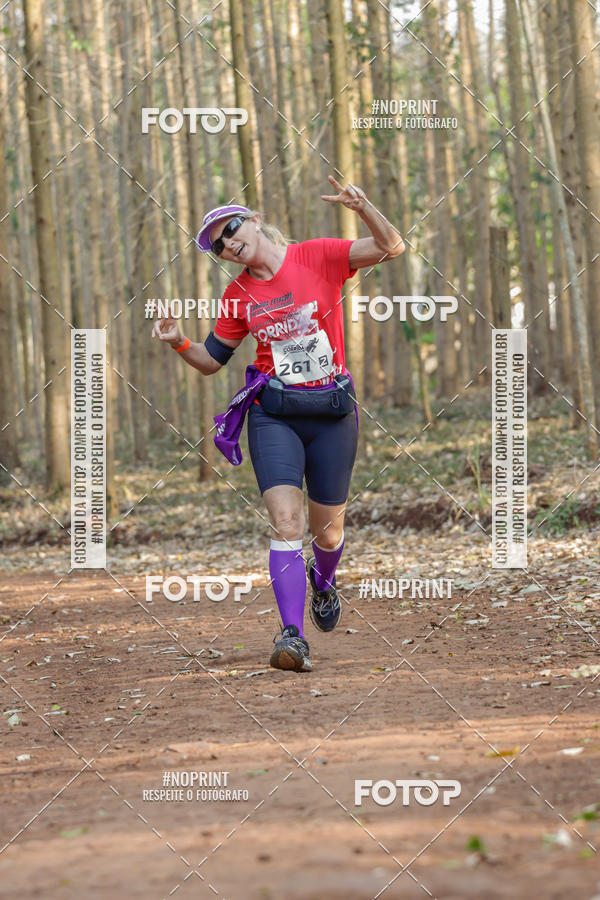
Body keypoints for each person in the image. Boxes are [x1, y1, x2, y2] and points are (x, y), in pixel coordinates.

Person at [152, 176, 404, 672]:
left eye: (231, 228)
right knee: (285, 523)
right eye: (219, 243)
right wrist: (179, 341)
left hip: (332, 412)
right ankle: (292, 635)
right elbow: (212, 360)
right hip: (274, 414)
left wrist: (364, 205)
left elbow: (392, 247)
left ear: (256, 220)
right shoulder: (236, 296)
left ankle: (325, 583)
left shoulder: (319, 255)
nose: (227, 242)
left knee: (328, 534)